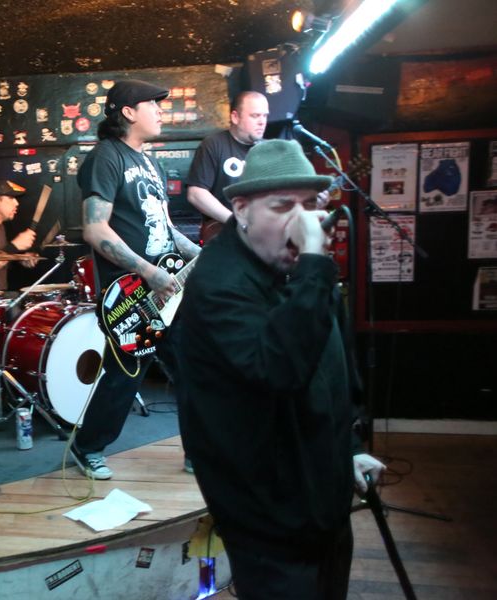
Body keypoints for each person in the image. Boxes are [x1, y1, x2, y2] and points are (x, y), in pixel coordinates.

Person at [174, 139, 385, 599]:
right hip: (268, 516)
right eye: (283, 205)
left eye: (309, 204)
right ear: (241, 210)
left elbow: (334, 365)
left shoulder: (303, 272)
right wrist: (313, 264)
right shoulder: (218, 282)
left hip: (321, 498)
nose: (303, 220)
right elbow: (278, 369)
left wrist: (349, 448)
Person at [72, 79, 201, 479]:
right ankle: (87, 447)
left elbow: (165, 228)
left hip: (169, 288)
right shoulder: (106, 157)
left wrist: (197, 252)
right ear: (128, 112)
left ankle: (199, 450)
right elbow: (95, 228)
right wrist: (149, 272)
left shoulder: (150, 163)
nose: (161, 111)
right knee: (123, 377)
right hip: (131, 293)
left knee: (195, 369)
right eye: (153, 104)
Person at [185, 91, 268, 242]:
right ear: (235, 117)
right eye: (255, 116)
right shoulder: (214, 144)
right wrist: (236, 222)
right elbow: (196, 194)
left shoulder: (270, 150)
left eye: (265, 116)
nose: (262, 122)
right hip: (225, 235)